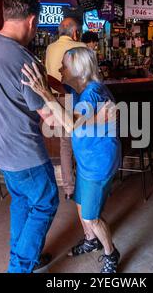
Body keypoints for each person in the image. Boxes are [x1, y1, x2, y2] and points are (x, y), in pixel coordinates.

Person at [0, 0, 59, 273]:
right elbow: (51, 119)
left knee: (22, 200)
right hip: (23, 151)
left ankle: (23, 254)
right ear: (32, 21)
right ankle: (19, 267)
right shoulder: (25, 60)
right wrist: (50, 93)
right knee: (46, 202)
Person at [21, 47, 121, 273]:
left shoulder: (92, 94)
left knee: (91, 216)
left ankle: (111, 253)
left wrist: (44, 93)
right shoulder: (78, 86)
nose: (60, 69)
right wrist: (36, 73)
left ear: (78, 70)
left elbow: (70, 124)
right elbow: (56, 82)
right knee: (79, 201)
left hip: (99, 163)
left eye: (64, 66)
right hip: (87, 159)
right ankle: (90, 240)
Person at [45, 17, 87, 200]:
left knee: (65, 144)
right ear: (75, 32)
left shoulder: (49, 48)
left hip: (56, 100)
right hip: (76, 98)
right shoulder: (81, 47)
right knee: (84, 140)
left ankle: (69, 189)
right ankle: (86, 185)